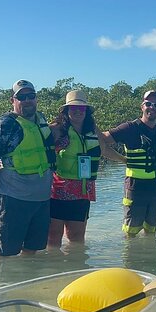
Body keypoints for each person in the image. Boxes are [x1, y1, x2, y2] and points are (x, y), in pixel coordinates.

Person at [0, 80, 55, 257]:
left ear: (36, 98)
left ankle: (27, 282)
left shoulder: (41, 119)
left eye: (31, 96)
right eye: (22, 97)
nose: (27, 100)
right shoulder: (4, 126)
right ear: (12, 100)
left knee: (32, 249)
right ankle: (5, 283)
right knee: (5, 253)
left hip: (42, 198)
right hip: (13, 198)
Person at [101, 90, 156, 236]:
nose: (152, 107)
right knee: (131, 233)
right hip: (135, 188)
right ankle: (131, 258)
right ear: (142, 106)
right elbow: (102, 140)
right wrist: (121, 159)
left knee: (151, 232)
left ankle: (150, 257)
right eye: (148, 104)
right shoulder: (129, 128)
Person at [47, 90, 102, 246]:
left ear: (86, 111)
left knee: (77, 240)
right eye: (73, 108)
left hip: (83, 192)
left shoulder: (92, 131)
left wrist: (125, 160)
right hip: (57, 191)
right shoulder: (55, 130)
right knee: (53, 239)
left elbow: (105, 149)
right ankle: (55, 269)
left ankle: (77, 268)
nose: (78, 111)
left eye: (82, 108)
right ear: (66, 111)